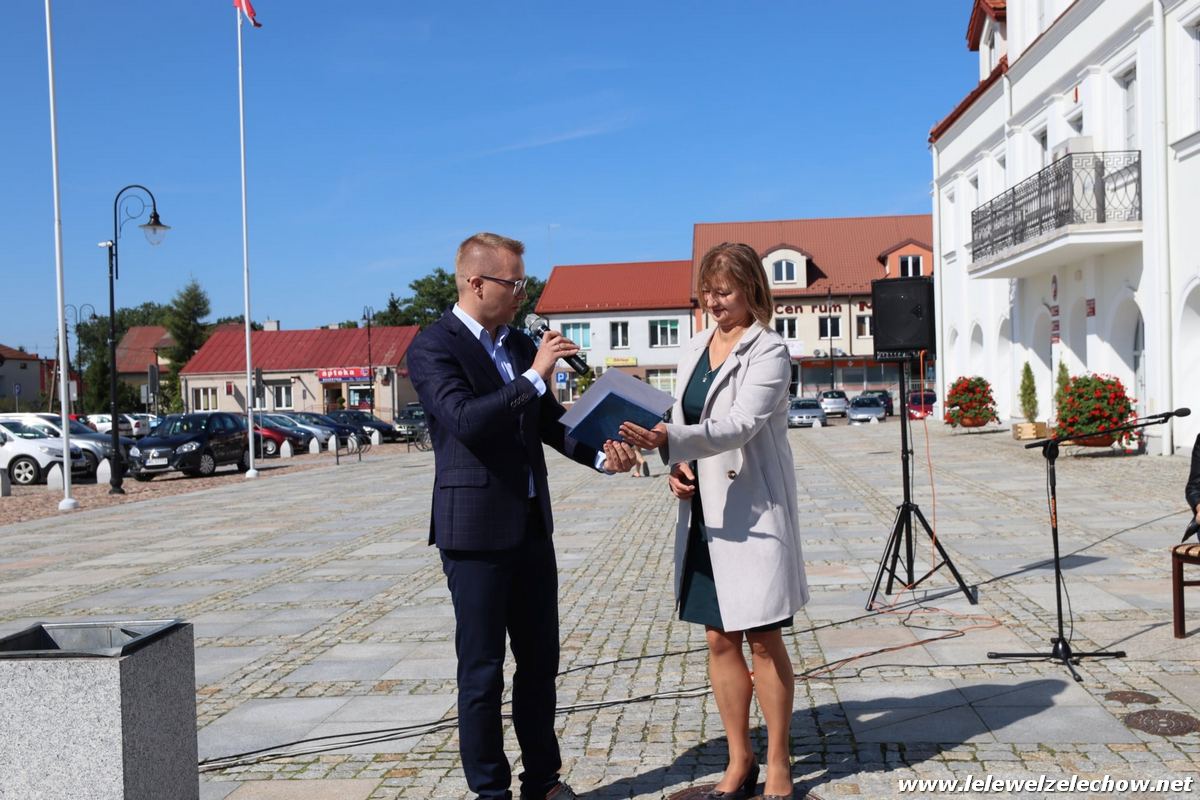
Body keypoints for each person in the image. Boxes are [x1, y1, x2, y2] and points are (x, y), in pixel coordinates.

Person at [407, 232, 637, 800]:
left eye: (523, 283)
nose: (522, 294)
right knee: (482, 672)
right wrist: (533, 376)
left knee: (539, 664)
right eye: (514, 283)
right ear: (476, 283)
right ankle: (491, 791)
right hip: (474, 534)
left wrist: (602, 457)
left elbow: (548, 423)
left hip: (531, 527)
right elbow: (465, 420)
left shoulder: (514, 344)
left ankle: (543, 781)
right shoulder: (433, 346)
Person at [620, 242, 808, 800]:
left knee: (764, 639)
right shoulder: (694, 346)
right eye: (707, 291)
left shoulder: (769, 350)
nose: (714, 301)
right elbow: (684, 419)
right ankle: (739, 758)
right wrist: (676, 464)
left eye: (724, 291)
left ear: (751, 290)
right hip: (705, 514)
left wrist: (672, 440)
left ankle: (778, 761)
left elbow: (740, 425)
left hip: (753, 513)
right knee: (719, 639)